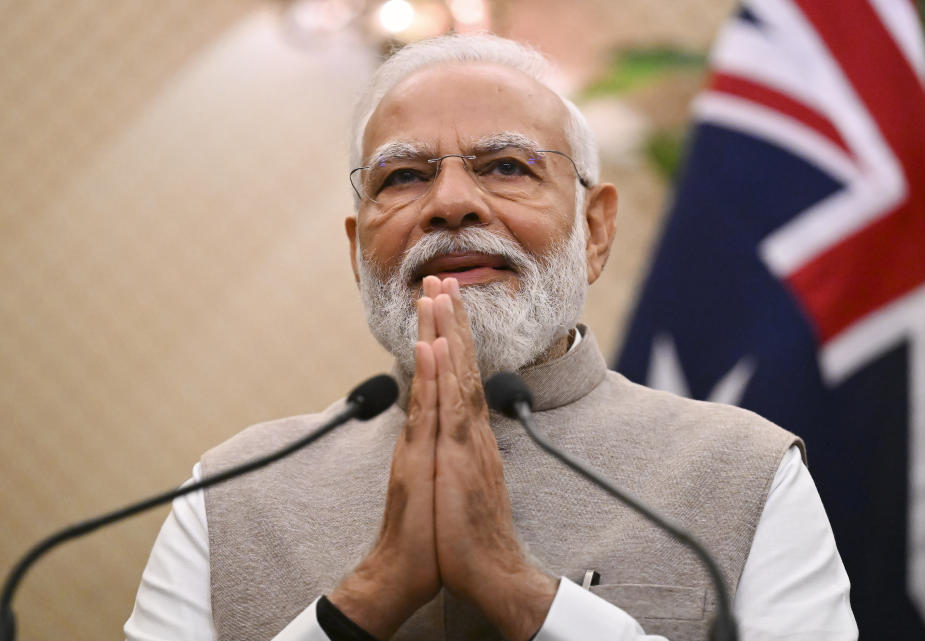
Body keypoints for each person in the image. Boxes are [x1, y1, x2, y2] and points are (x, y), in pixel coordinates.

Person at [125, 34, 857, 641]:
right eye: (403, 176)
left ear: (595, 229)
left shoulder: (747, 472)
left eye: (506, 166)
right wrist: (371, 593)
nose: (449, 204)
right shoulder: (230, 491)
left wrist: (522, 591)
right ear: (358, 250)